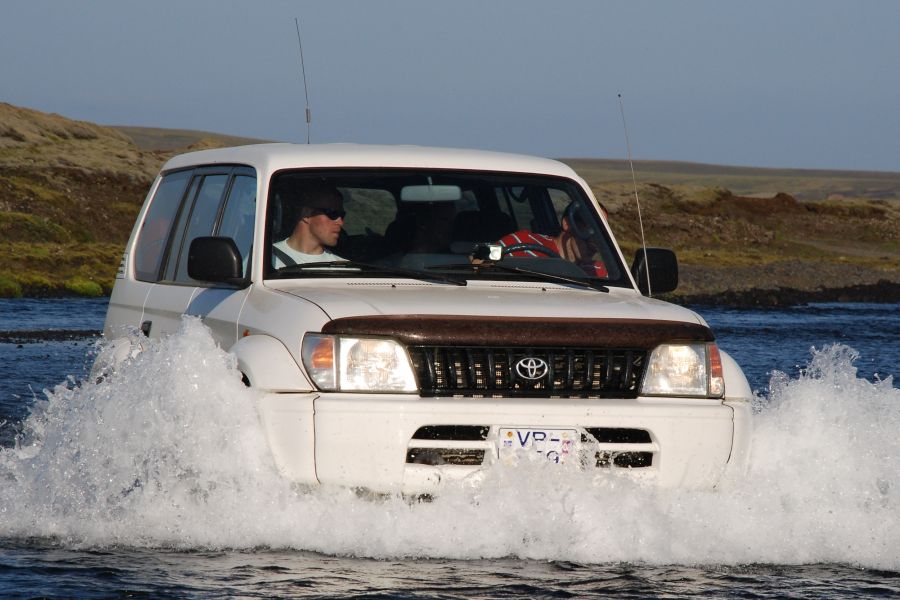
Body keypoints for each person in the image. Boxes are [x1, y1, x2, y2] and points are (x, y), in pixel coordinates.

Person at [497, 202, 608, 277]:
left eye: (603, 232)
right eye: (590, 228)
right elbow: (481, 265)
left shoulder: (599, 272)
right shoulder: (523, 243)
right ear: (567, 224)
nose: (596, 239)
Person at [272, 183, 347, 268]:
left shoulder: (345, 269)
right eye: (333, 213)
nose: (340, 222)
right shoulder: (266, 260)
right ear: (306, 214)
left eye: (342, 215)